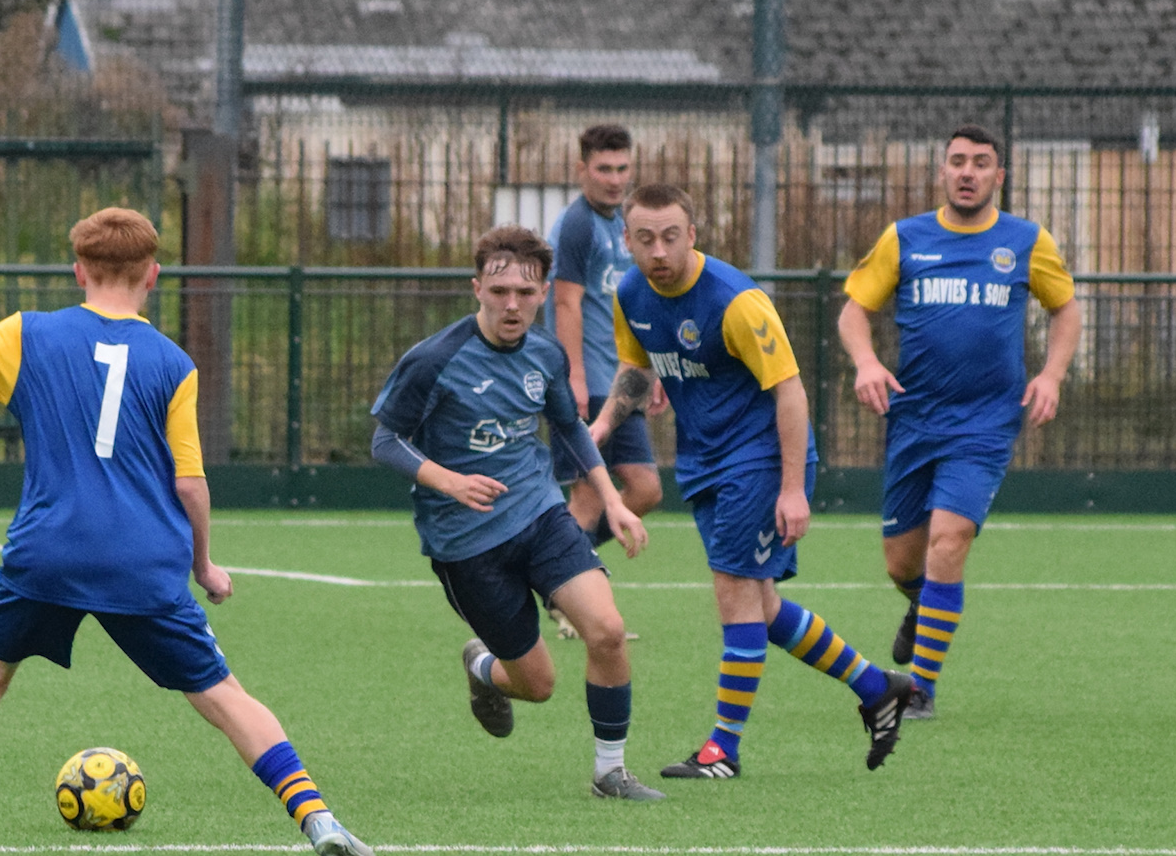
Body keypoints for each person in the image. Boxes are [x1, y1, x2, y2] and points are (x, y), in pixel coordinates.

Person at [0, 208, 373, 856]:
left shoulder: (28, 334)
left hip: (49, 551)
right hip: (142, 560)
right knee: (221, 693)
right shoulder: (174, 364)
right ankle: (318, 819)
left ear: (78, 271)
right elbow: (191, 484)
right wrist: (204, 565)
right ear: (153, 275)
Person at [589, 184, 915, 779]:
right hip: (704, 461)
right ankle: (877, 687)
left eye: (670, 237)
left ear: (692, 235)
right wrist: (605, 424)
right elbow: (636, 366)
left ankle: (723, 750)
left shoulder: (735, 300)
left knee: (734, 592)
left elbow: (790, 392)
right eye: (645, 238)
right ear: (627, 241)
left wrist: (792, 488)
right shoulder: (631, 293)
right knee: (761, 606)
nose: (658, 251)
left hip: (760, 458)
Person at [368, 225, 661, 800]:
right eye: (499, 290)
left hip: (540, 514)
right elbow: (386, 440)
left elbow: (569, 427)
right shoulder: (434, 360)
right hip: (466, 545)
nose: (511, 304)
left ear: (543, 293)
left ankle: (610, 773)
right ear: (477, 287)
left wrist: (612, 502)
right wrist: (448, 480)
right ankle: (483, 668)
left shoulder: (546, 354)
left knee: (606, 630)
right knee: (537, 685)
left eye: (525, 293)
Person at [837, 125, 1082, 720]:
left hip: (986, 422)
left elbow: (1066, 310)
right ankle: (922, 607)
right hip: (914, 417)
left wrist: (1051, 375)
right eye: (957, 161)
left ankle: (919, 687)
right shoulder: (904, 237)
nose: (968, 172)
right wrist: (866, 362)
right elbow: (853, 312)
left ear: (999, 176)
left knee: (949, 542)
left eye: (980, 163)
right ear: (942, 172)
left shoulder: (1026, 241)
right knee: (902, 563)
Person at [546, 124, 665, 550]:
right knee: (588, 496)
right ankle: (566, 573)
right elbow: (565, 303)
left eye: (622, 169)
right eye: (604, 169)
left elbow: (637, 306)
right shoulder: (578, 225)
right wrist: (573, 378)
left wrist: (654, 370)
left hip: (621, 380)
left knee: (645, 488)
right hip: (590, 382)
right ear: (582, 170)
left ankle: (560, 563)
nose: (615, 180)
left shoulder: (622, 225)